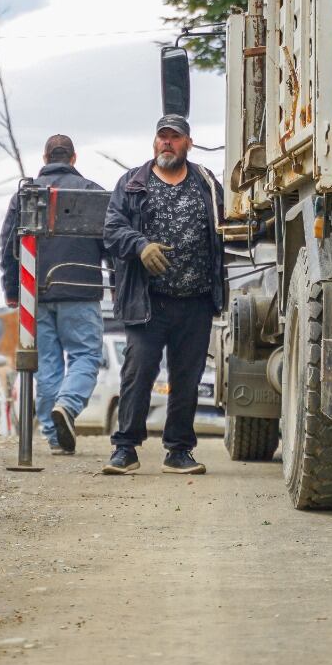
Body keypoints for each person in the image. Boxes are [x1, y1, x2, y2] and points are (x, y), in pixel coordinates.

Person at [100, 114, 225, 476]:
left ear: (188, 142)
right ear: (154, 143)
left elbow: (225, 222)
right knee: (138, 372)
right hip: (147, 301)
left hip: (196, 300)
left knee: (188, 377)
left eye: (175, 137)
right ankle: (125, 448)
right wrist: (139, 246)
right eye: (162, 137)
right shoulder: (132, 183)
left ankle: (179, 451)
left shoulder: (205, 182)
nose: (167, 143)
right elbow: (111, 229)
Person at [0, 135, 106, 455]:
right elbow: (111, 242)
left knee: (46, 365)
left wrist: (12, 291)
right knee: (86, 356)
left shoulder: (26, 194)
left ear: (45, 158)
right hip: (82, 292)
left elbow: (9, 245)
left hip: (37, 294)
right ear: (74, 158)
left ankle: (55, 437)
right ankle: (68, 407)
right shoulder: (92, 192)